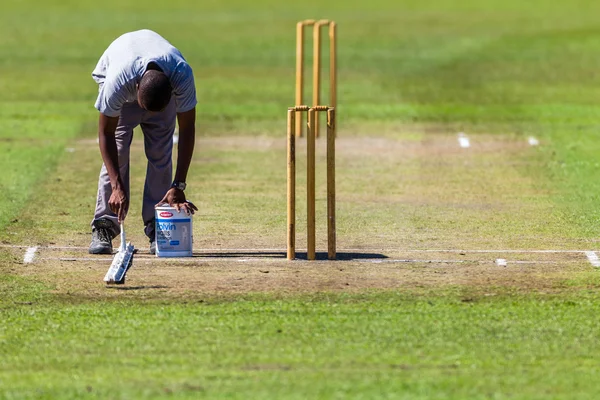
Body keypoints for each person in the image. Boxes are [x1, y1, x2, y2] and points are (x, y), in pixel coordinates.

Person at [89, 29, 198, 255]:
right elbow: (105, 134)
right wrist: (118, 186)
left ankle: (156, 225)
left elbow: (187, 129)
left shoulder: (182, 75)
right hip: (124, 88)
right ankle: (104, 225)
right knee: (118, 152)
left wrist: (178, 185)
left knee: (161, 153)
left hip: (158, 90)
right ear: (137, 88)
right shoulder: (118, 82)